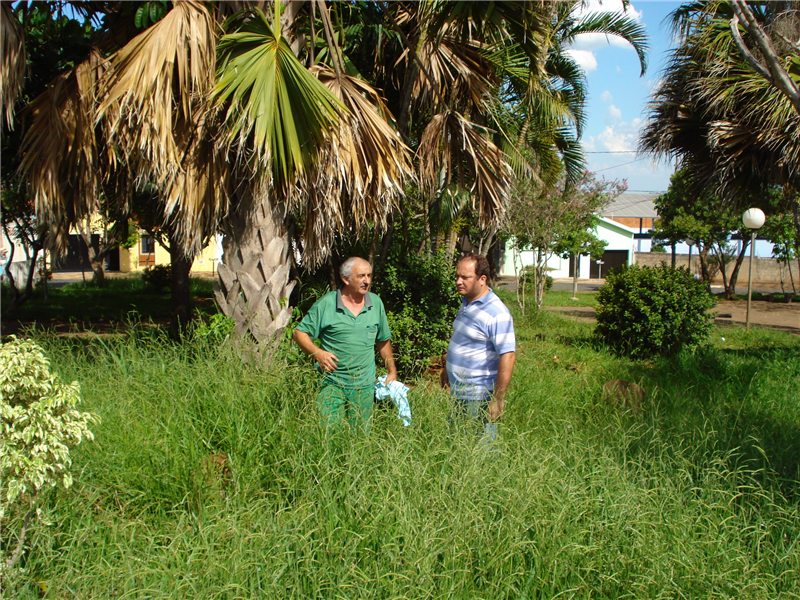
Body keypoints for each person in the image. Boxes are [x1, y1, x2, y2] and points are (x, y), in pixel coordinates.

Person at [293, 257, 396, 430]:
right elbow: (299, 333)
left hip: (364, 385)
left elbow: (382, 340)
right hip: (331, 384)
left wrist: (392, 370)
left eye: (369, 276)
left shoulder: (375, 303)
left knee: (360, 438)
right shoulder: (326, 304)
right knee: (328, 435)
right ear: (346, 279)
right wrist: (317, 353)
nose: (367, 281)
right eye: (361, 276)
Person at [441, 253, 515, 430]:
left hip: (478, 397)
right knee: (457, 446)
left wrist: (498, 399)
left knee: (479, 451)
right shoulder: (467, 303)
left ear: (482, 279)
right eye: (457, 276)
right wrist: (447, 369)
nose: (458, 281)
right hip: (459, 394)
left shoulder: (497, 312)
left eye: (465, 277)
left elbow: (508, 356)